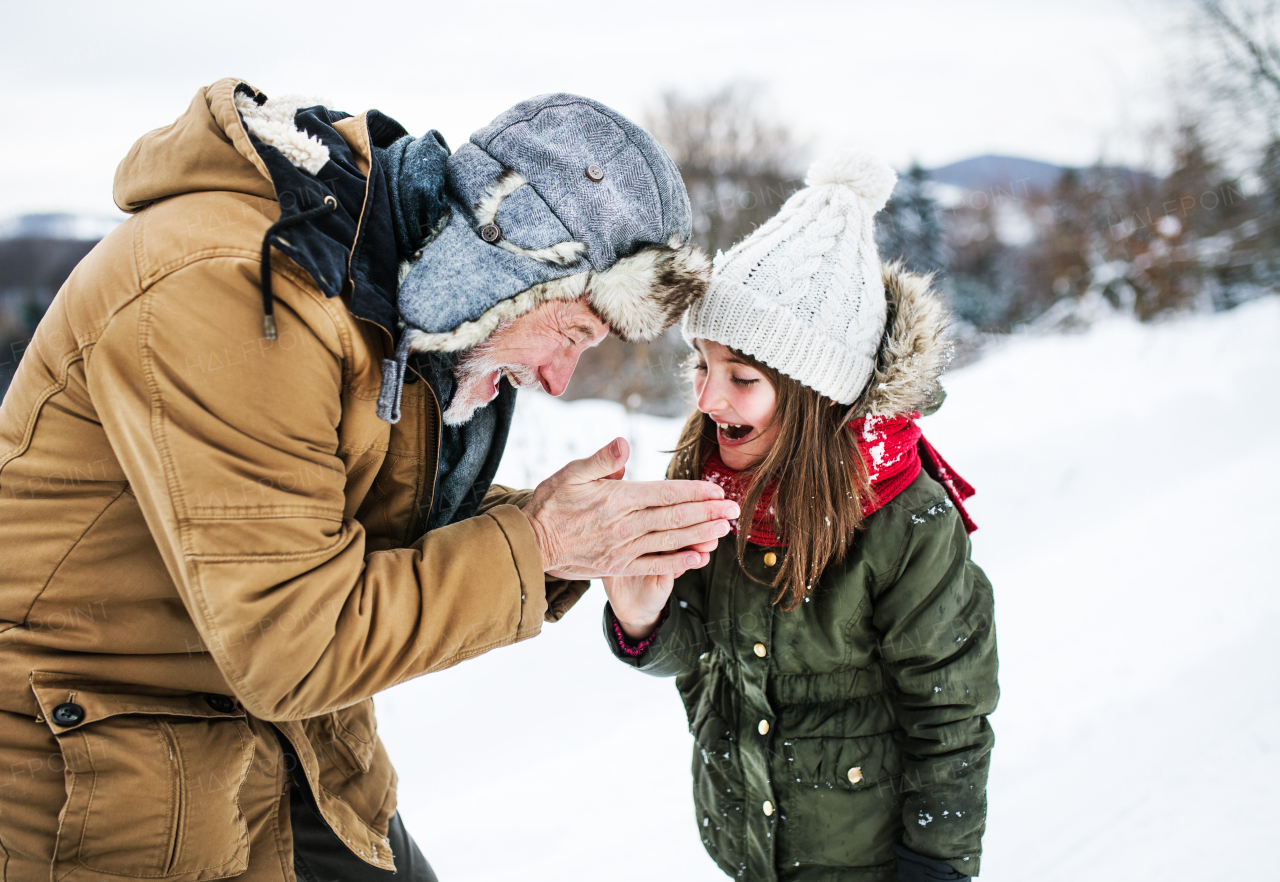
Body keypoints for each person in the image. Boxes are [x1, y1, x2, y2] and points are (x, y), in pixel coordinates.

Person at [0, 80, 740, 881]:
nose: (560, 379)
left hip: (274, 733)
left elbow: (356, 519)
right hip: (99, 759)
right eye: (573, 332)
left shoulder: (376, 285)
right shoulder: (239, 289)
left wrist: (576, 538)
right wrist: (542, 544)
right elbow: (294, 643)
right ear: (506, 267)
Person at [602, 151, 999, 882]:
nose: (708, 398)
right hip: (748, 846)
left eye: (742, 378)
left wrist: (934, 870)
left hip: (868, 862)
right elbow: (702, 660)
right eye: (702, 366)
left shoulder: (905, 519)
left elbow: (950, 718)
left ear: (816, 392)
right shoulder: (704, 478)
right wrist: (644, 624)